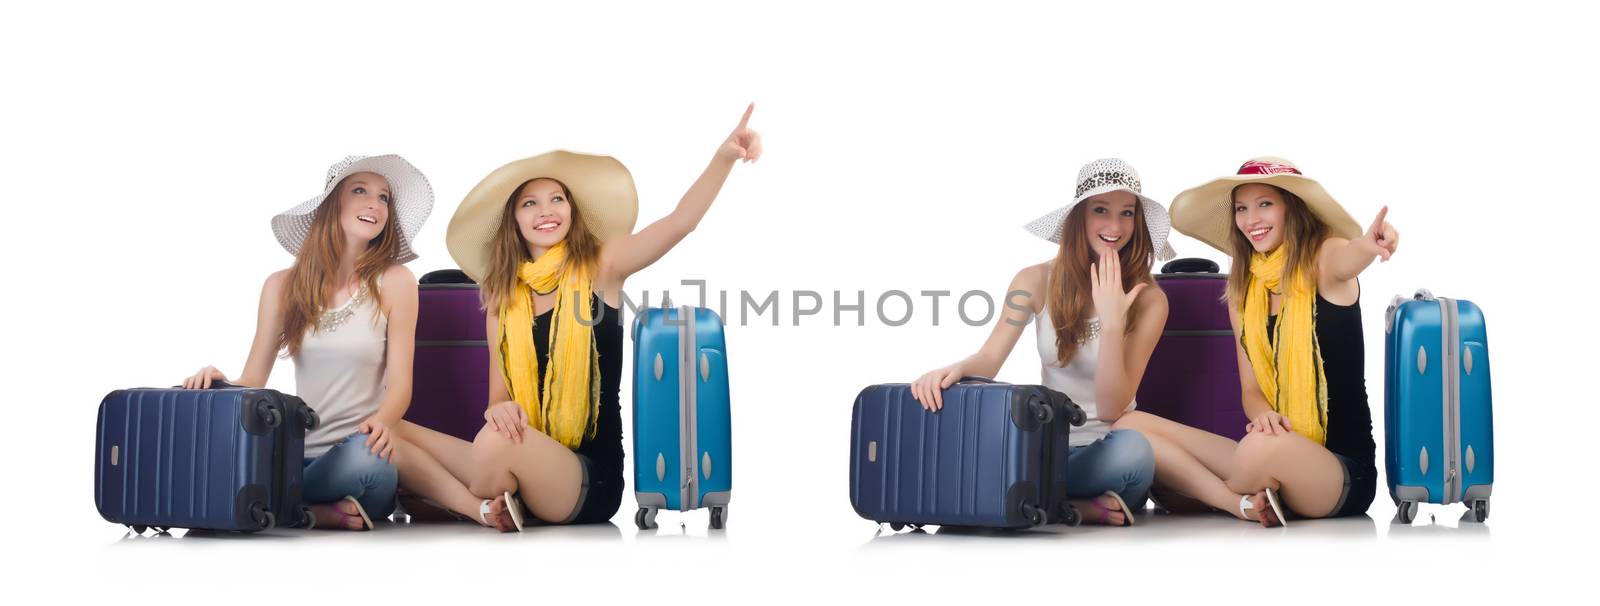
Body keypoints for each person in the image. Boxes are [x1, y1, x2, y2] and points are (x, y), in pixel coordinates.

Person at [394, 105, 763, 530]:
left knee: (492, 448)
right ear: (514, 221)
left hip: (587, 475)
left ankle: (456, 501)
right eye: (530, 203)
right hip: (515, 446)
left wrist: (724, 158)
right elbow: (498, 397)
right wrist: (499, 410)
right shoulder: (502, 297)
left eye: (557, 199)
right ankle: (486, 504)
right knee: (392, 432)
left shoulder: (602, 267)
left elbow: (681, 222)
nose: (545, 210)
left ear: (571, 210)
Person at [1114, 157, 1397, 527]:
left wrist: (1370, 244)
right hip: (1270, 445)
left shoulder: (1324, 259)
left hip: (1340, 472)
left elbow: (1350, 257)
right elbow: (1250, 391)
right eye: (1242, 209)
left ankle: (1194, 490)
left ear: (1291, 209)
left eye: (1265, 204)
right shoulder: (1242, 293)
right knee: (1128, 424)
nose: (1251, 220)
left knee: (1254, 451)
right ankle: (1241, 503)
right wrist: (1264, 415)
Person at [912, 158, 1173, 526]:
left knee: (1134, 453)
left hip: (1108, 454)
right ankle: (1070, 508)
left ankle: (1038, 501)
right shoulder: (1033, 280)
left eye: (1127, 213)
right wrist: (955, 370)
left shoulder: (1149, 299)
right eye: (1101, 210)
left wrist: (1113, 323)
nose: (1115, 227)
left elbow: (1114, 408)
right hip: (1046, 450)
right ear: (1079, 217)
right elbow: (989, 358)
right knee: (974, 446)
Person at [182, 155, 433, 530]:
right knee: (236, 460)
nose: (374, 204)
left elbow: (400, 387)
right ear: (332, 204)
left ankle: (285, 507)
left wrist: (381, 424)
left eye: (384, 198)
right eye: (360, 190)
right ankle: (309, 512)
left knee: (367, 458)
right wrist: (219, 382)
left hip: (359, 458)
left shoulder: (396, 281)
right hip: (295, 458)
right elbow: (253, 380)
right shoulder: (281, 286)